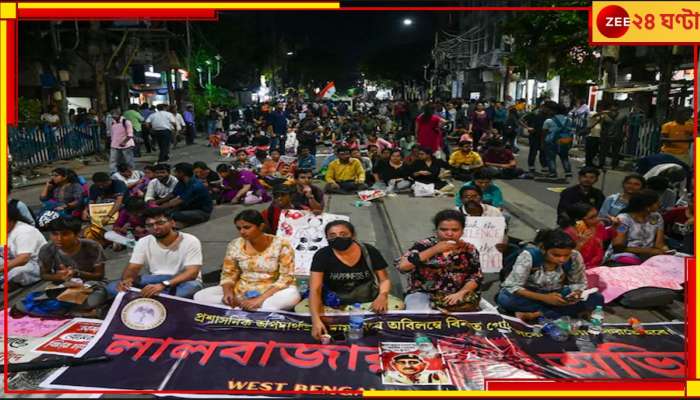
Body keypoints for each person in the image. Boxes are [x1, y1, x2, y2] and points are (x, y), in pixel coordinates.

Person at [305, 221, 404, 339]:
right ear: (327, 238)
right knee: (303, 310)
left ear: (353, 235)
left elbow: (384, 280)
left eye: (343, 234)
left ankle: (343, 323)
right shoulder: (322, 255)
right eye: (332, 235)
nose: (338, 238)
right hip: (335, 304)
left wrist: (382, 296)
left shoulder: (369, 251)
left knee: (397, 306)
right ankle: (362, 324)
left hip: (366, 302)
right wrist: (316, 320)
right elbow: (315, 289)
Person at [193, 210, 300, 310]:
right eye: (239, 228)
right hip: (242, 290)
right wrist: (227, 293)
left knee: (292, 294)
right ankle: (245, 306)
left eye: (247, 227)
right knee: (200, 296)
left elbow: (286, 278)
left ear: (261, 226)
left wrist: (260, 299)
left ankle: (249, 307)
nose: (242, 232)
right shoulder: (235, 244)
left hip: (271, 292)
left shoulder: (281, 244)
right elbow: (228, 274)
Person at [497, 229, 603, 322]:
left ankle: (536, 314)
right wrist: (545, 298)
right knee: (505, 299)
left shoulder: (574, 256)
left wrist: (575, 294)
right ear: (543, 249)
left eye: (566, 255)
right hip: (531, 294)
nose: (562, 259)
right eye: (556, 255)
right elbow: (512, 286)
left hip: (559, 294)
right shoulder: (529, 256)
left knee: (596, 298)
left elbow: (578, 282)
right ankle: (554, 314)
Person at [107, 208, 203, 298]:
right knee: (113, 287)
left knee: (192, 288)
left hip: (182, 280)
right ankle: (157, 297)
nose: (156, 227)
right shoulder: (143, 242)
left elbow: (192, 273)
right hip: (155, 279)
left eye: (160, 223)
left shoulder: (190, 240)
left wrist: (163, 284)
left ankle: (145, 297)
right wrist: (126, 280)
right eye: (150, 225)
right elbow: (133, 268)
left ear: (172, 223)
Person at [396, 210, 482, 311]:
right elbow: (403, 266)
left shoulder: (469, 249)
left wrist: (461, 293)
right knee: (420, 319)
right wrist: (434, 250)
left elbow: (476, 276)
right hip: (423, 294)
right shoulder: (423, 245)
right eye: (443, 229)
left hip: (456, 295)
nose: (449, 233)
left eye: (455, 230)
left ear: (462, 231)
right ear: (436, 230)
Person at [35, 217, 108, 314]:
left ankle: (78, 309)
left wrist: (76, 273)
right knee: (38, 302)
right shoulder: (47, 249)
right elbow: (44, 275)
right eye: (54, 234)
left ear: (77, 234)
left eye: (65, 234)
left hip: (91, 285)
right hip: (64, 286)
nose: (59, 239)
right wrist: (59, 277)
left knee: (93, 300)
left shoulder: (92, 246)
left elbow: (99, 275)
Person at [608, 189, 669, 265]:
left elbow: (659, 244)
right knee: (630, 261)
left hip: (649, 255)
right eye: (657, 202)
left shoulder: (656, 217)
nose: (660, 204)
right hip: (625, 255)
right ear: (647, 206)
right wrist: (648, 251)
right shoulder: (624, 219)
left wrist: (664, 249)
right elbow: (618, 247)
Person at [560, 202, 619, 269]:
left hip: (596, 266)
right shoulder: (568, 234)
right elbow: (565, 258)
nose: (597, 219)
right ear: (578, 221)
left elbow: (605, 236)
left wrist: (614, 227)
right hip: (577, 270)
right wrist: (580, 244)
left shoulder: (598, 226)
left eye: (596, 215)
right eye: (592, 217)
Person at [5, 203, 46, 289]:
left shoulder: (24, 231)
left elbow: (23, 259)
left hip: (36, 264)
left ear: (11, 220)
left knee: (18, 271)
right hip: (13, 260)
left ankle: (10, 282)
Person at [542, 102, 574, 179]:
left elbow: (544, 133)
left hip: (552, 141)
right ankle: (568, 171)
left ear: (555, 111)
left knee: (551, 158)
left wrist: (542, 143)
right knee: (564, 157)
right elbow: (571, 132)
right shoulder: (569, 120)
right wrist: (571, 142)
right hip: (565, 140)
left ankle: (552, 172)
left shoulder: (549, 121)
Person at [520, 103, 549, 176]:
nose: (547, 110)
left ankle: (544, 167)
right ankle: (531, 167)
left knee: (543, 152)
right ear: (542, 107)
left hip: (543, 135)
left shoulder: (547, 115)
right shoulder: (533, 114)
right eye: (546, 108)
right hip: (534, 136)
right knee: (533, 151)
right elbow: (521, 120)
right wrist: (527, 127)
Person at [383, 354, 451, 385]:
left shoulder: (435, 375)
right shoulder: (390, 376)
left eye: (414, 362)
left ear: (424, 365)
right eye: (402, 362)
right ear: (394, 365)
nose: (408, 366)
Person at [598, 103, 627, 169]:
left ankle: (602, 164)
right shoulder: (622, 116)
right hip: (617, 136)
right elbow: (625, 127)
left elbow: (601, 126)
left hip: (608, 136)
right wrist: (625, 135)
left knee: (604, 151)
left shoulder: (605, 116)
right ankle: (613, 165)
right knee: (615, 152)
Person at [108, 107, 136, 174]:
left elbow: (130, 134)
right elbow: (112, 134)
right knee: (113, 160)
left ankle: (131, 172)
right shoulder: (113, 123)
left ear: (119, 114)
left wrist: (124, 142)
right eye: (112, 114)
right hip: (115, 144)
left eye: (114, 114)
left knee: (128, 161)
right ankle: (113, 173)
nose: (113, 116)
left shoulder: (126, 122)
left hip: (126, 145)